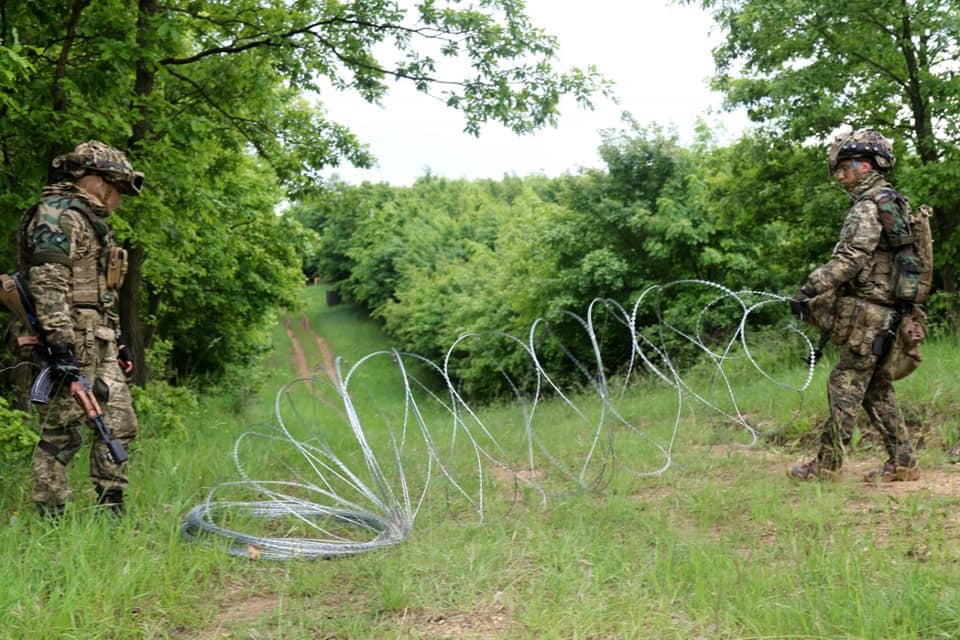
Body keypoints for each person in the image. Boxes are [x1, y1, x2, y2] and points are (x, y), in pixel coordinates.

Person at [15, 140, 144, 517]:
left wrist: (119, 341)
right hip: (69, 341)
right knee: (62, 433)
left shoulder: (92, 223)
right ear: (97, 180)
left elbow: (101, 294)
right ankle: (50, 516)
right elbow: (48, 284)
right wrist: (60, 348)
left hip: (100, 340)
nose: (118, 197)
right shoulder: (56, 217)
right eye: (116, 187)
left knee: (120, 424)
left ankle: (111, 509)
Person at [788, 128, 920, 483]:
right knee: (876, 388)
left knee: (843, 381)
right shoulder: (894, 202)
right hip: (890, 312)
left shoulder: (867, 206)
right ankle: (904, 461)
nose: (840, 177)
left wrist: (809, 289)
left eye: (844, 169)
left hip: (871, 315)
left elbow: (850, 259)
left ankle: (827, 466)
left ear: (864, 166)